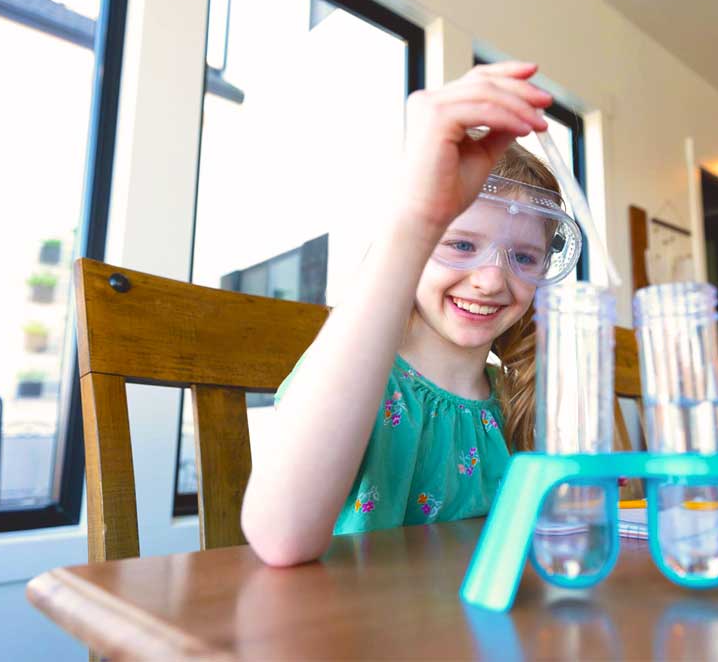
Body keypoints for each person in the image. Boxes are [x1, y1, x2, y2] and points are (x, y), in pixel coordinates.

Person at [240, 61, 577, 566]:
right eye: (460, 244)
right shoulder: (357, 381)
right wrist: (417, 217)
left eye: (524, 257)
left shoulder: (516, 399)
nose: (491, 279)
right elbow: (281, 537)